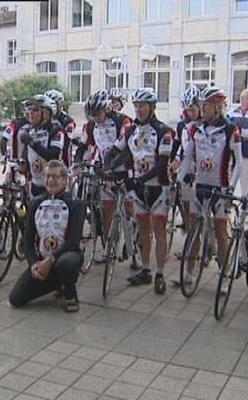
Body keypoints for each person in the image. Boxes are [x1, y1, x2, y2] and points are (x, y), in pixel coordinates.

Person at [107, 88, 174, 294]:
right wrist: (105, 168)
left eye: (142, 106)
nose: (138, 109)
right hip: (137, 186)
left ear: (152, 107)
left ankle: (160, 273)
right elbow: (118, 151)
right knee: (144, 229)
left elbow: (162, 165)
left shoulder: (164, 131)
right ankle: (146, 269)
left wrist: (139, 180)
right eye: (136, 106)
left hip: (158, 187)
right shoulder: (130, 130)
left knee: (159, 229)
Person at [179, 86, 242, 283]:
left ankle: (224, 275)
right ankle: (189, 272)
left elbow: (239, 161)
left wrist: (231, 187)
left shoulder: (231, 129)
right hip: (199, 187)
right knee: (194, 231)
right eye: (201, 105)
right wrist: (181, 181)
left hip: (220, 188)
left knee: (221, 234)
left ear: (216, 106)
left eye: (205, 105)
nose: (202, 109)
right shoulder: (194, 128)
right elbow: (187, 157)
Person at [9, 160, 85, 312]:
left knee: (66, 264)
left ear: (64, 180)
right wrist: (34, 265)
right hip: (42, 260)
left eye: (56, 177)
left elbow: (73, 241)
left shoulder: (76, 204)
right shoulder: (36, 202)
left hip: (66, 256)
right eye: (48, 176)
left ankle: (70, 293)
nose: (51, 180)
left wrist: (50, 260)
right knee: (16, 298)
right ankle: (56, 282)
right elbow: (28, 239)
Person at [74, 90, 133, 263]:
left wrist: (112, 166)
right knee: (107, 210)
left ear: (107, 108)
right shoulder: (91, 125)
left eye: (98, 114)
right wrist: (77, 162)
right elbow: (82, 147)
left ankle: (133, 234)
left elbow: (127, 149)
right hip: (104, 171)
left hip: (124, 169)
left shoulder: (122, 121)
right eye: (92, 115)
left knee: (130, 209)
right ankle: (109, 248)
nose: (96, 118)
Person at [20, 94, 66, 197]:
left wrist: (32, 143)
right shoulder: (31, 130)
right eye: (29, 110)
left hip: (53, 185)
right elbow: (28, 152)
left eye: (35, 110)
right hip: (35, 183)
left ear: (45, 113)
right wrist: (23, 162)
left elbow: (53, 155)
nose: (31, 113)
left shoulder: (55, 130)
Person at [171, 85, 202, 236]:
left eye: (193, 109)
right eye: (187, 110)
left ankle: (206, 240)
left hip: (203, 172)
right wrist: (172, 166)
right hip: (186, 170)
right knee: (187, 209)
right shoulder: (182, 125)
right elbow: (180, 149)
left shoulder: (204, 124)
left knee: (199, 211)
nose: (190, 113)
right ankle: (191, 241)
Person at [226, 89, 248, 196]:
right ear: (242, 99)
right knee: (229, 182)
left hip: (247, 154)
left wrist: (238, 131)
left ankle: (244, 208)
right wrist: (244, 133)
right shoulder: (230, 114)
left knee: (246, 184)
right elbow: (228, 130)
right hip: (232, 155)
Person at [45, 89, 76, 167]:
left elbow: (67, 144)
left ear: (60, 104)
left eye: (55, 103)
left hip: (62, 155)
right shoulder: (45, 118)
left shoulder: (67, 120)